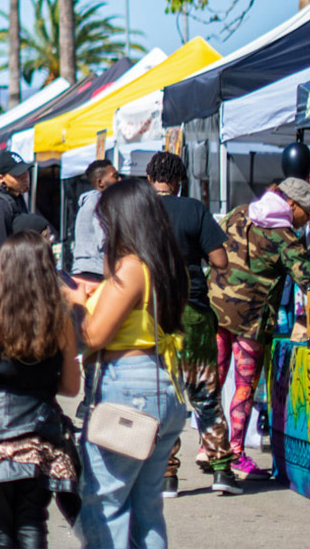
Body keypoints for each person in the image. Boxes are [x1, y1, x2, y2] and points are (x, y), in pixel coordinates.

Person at [72, 177, 189, 549]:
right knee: (146, 507)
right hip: (162, 382)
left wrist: (72, 299)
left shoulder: (132, 267)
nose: (102, 228)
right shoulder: (165, 264)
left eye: (105, 219)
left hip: (128, 387)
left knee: (105, 502)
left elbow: (93, 335)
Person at [0, 231, 84, 549]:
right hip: (41, 434)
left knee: (3, 527)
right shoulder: (59, 321)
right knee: (33, 521)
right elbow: (70, 387)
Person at [207, 177, 310, 481]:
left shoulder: (238, 212)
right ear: (292, 205)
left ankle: (210, 447)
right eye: (306, 214)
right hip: (251, 319)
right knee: (243, 387)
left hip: (215, 308)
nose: (306, 221)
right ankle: (234, 453)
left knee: (214, 380)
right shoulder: (285, 236)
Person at [145, 152, 236, 497]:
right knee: (205, 394)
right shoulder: (194, 209)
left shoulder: (140, 210)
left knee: (163, 396)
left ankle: (167, 476)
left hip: (151, 315)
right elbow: (220, 260)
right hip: (193, 311)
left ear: (149, 179)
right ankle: (222, 471)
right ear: (180, 180)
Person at [72, 161, 120, 283]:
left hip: (83, 269)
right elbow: (105, 240)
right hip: (94, 271)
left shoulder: (90, 201)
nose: (120, 180)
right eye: (115, 176)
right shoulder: (100, 202)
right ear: (100, 182)